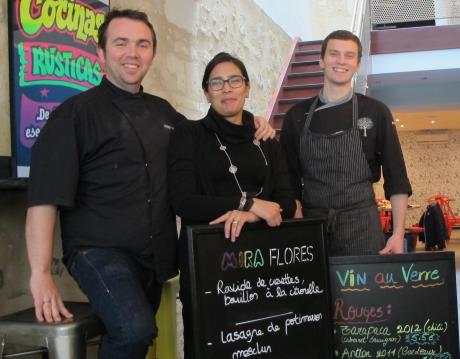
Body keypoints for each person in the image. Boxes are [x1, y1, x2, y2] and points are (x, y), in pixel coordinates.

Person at [24, 10, 274, 359]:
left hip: (155, 259)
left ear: (152, 54)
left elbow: (212, 134)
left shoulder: (165, 113)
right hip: (99, 252)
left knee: (138, 338)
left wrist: (254, 124)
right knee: (134, 330)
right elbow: (43, 198)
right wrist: (39, 274)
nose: (133, 53)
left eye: (142, 44)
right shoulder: (73, 114)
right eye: (121, 43)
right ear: (101, 52)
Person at [167, 51, 296, 358]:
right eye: (216, 82)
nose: (226, 88)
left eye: (234, 80)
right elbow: (183, 201)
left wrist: (251, 216)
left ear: (247, 87)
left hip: (266, 263)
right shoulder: (189, 134)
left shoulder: (266, 139)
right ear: (206, 91)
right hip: (210, 266)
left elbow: (287, 204)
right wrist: (249, 203)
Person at [280, 30, 412, 256]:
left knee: (361, 292)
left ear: (358, 64)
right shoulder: (296, 116)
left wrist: (398, 234)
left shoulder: (376, 111)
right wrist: (299, 228)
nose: (341, 61)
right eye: (334, 54)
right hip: (312, 227)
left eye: (349, 55)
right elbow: (288, 180)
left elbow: (396, 177)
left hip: (362, 228)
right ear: (321, 60)